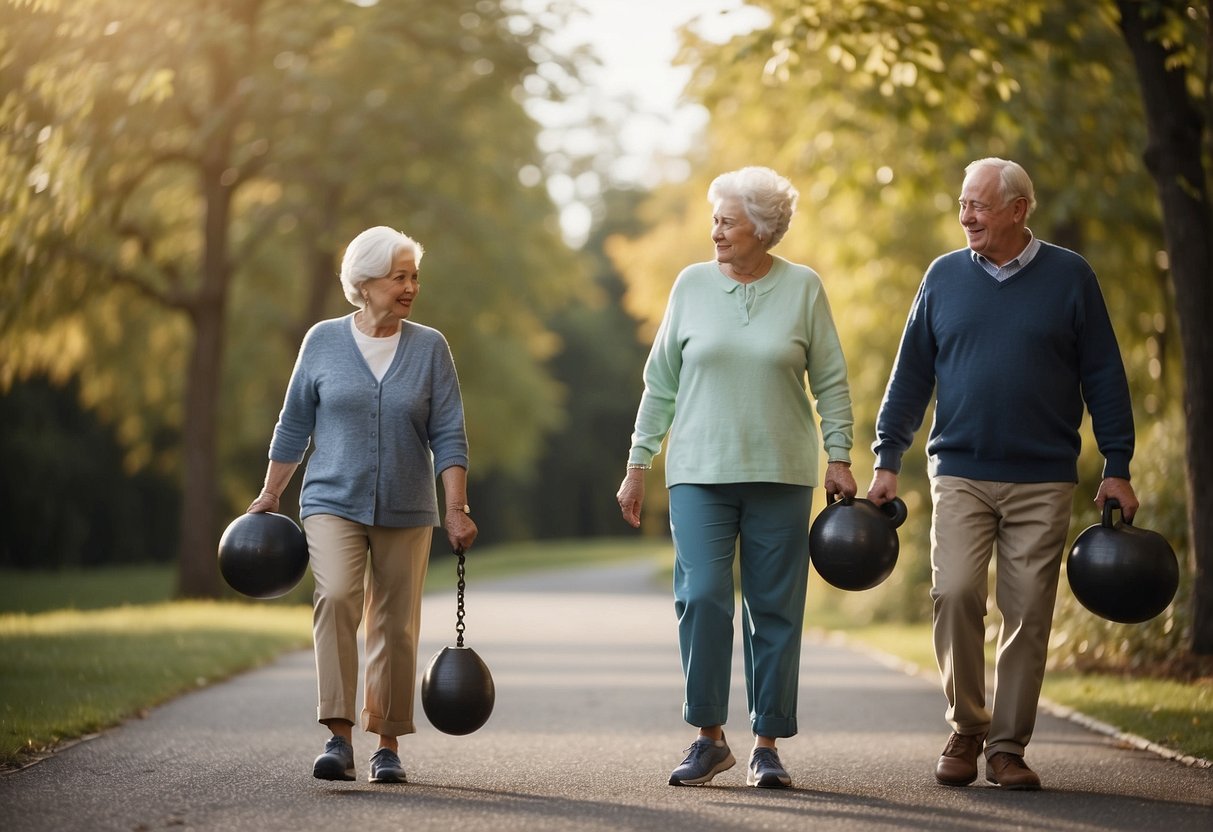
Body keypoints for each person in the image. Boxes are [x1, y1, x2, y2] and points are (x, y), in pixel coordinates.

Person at [867, 158, 1138, 791]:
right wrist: (886, 459)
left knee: (1027, 612)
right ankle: (967, 725)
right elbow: (910, 377)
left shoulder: (1071, 277)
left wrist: (1118, 465)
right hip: (959, 470)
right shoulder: (942, 277)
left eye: (980, 205)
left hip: (1043, 477)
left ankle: (1008, 749)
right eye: (963, 205)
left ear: (1019, 209)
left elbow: (1104, 375)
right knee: (956, 591)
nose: (967, 216)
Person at [617, 166, 857, 789]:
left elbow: (829, 378)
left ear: (762, 227)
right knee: (701, 597)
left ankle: (766, 744)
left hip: (781, 472)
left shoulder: (804, 288)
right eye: (715, 218)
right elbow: (660, 382)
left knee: (774, 607)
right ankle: (707, 737)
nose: (715, 230)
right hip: (698, 471)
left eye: (727, 219)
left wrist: (839, 455)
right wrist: (638, 463)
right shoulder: (691, 285)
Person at [247, 225, 478, 784]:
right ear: (365, 282)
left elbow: (449, 433)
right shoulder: (322, 341)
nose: (411, 287)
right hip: (331, 500)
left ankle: (388, 744)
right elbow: (294, 424)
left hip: (407, 506)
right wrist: (271, 493)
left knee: (394, 624)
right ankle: (338, 734)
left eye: (414, 276)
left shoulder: (429, 348)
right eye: (400, 277)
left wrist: (456, 506)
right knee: (336, 596)